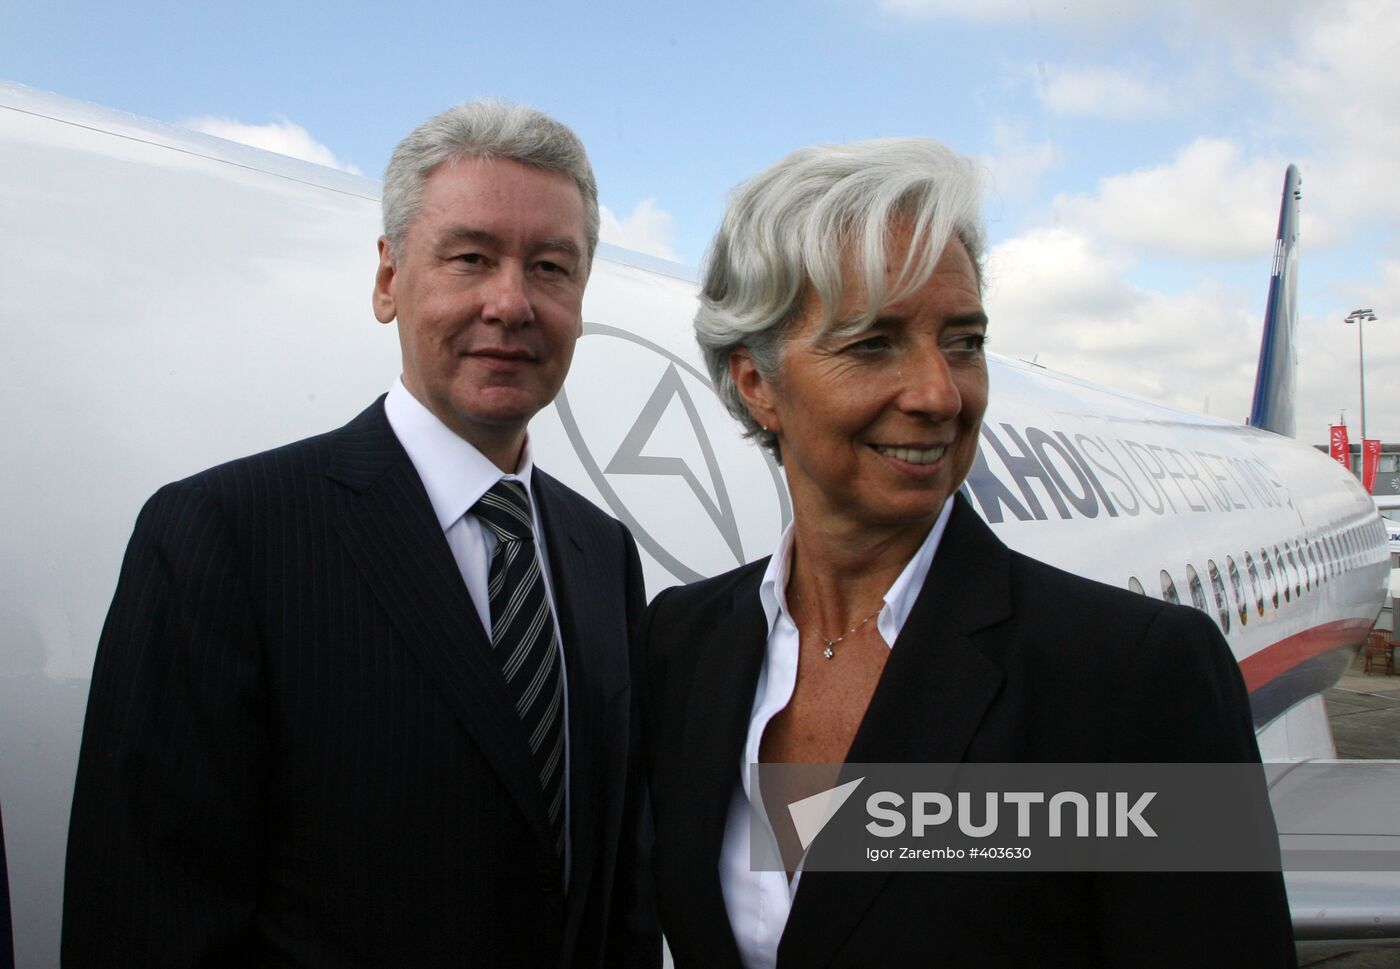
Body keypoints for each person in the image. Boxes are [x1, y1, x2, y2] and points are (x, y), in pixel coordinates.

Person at [637, 139, 1297, 967]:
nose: (940, 394)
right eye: (873, 343)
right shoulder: (685, 645)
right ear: (756, 382)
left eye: (963, 341)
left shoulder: (1134, 675)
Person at [63, 101, 658, 969]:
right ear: (388, 280)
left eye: (551, 267)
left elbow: (617, 897)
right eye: (470, 259)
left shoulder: (600, 552)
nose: (511, 302)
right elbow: (144, 920)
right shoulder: (222, 537)